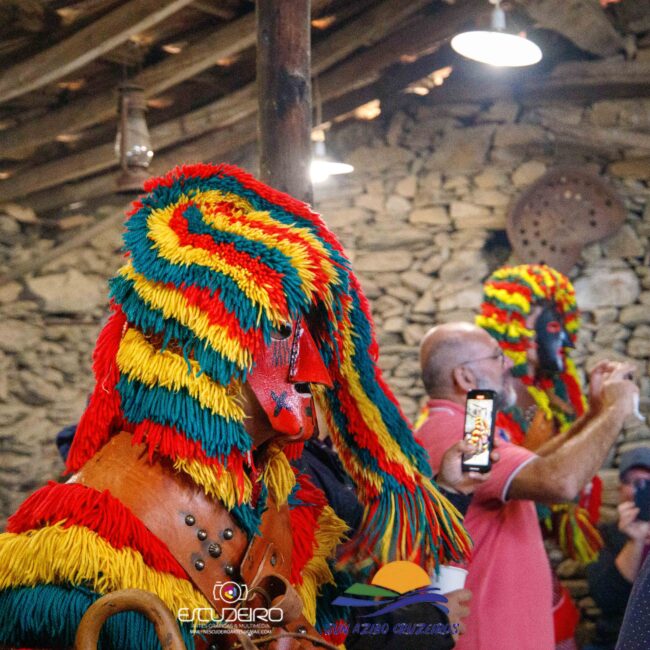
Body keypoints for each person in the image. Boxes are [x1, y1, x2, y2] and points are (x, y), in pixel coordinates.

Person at [0, 163, 471, 649]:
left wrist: (419, 620)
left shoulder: (284, 499)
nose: (315, 370)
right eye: (285, 334)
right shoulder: (77, 549)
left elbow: (336, 625)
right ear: (203, 349)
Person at [416, 321, 638, 650]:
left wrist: (593, 415)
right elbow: (558, 481)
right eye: (496, 357)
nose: (509, 363)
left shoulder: (456, 425)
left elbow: (533, 467)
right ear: (465, 377)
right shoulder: (458, 435)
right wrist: (617, 408)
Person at [477, 263, 606, 649]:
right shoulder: (479, 405)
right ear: (512, 326)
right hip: (492, 554)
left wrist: (596, 414)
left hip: (528, 549)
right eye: (548, 323)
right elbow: (479, 480)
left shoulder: (552, 394)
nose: (560, 336)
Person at [586, 446, 650, 650]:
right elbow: (607, 599)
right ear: (620, 489)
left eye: (648, 483)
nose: (642, 490)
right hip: (616, 639)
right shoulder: (602, 535)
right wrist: (634, 541)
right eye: (634, 482)